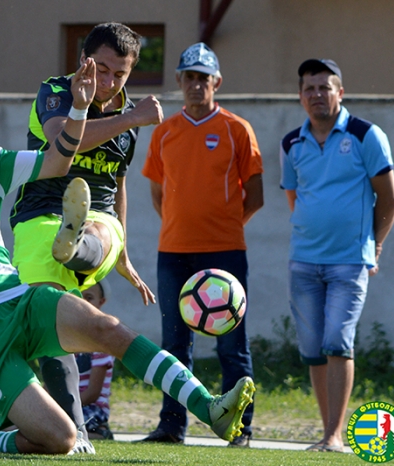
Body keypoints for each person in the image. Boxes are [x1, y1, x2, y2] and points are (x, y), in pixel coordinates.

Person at [0, 43, 254, 456]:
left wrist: (79, 108)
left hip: (18, 300)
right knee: (61, 439)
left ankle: (210, 408)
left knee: (107, 328)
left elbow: (56, 162)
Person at [10, 22, 163, 441]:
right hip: (39, 214)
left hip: (100, 218)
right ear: (85, 61)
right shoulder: (55, 91)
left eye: (121, 75)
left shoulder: (126, 115)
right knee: (49, 330)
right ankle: (66, 432)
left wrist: (126, 255)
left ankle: (77, 244)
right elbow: (65, 139)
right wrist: (131, 117)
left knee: (99, 226)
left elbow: (120, 183)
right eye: (104, 70)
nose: (110, 83)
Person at [141, 42, 263, 447]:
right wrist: (184, 226)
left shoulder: (236, 128)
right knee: (175, 343)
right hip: (173, 252)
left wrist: (224, 227)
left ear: (217, 83)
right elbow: (158, 195)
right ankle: (172, 427)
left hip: (225, 252)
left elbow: (256, 194)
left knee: (231, 343)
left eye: (203, 78)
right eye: (189, 77)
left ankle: (240, 429)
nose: (196, 85)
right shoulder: (164, 131)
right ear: (179, 81)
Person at [280, 58, 394, 452]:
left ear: (340, 93)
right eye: (309, 88)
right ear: (300, 96)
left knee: (337, 341)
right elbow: (295, 198)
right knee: (313, 349)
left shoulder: (367, 135)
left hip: (350, 261)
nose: (317, 95)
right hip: (304, 262)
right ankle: (324, 432)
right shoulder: (290, 143)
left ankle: (335, 436)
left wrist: (374, 245)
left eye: (324, 87)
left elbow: (390, 198)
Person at [75, 281, 114, 440]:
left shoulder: (101, 342)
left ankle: (99, 433)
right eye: (78, 297)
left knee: (55, 424)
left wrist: (63, 408)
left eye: (89, 298)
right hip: (72, 404)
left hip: (91, 407)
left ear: (101, 302)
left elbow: (93, 393)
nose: (83, 303)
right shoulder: (68, 337)